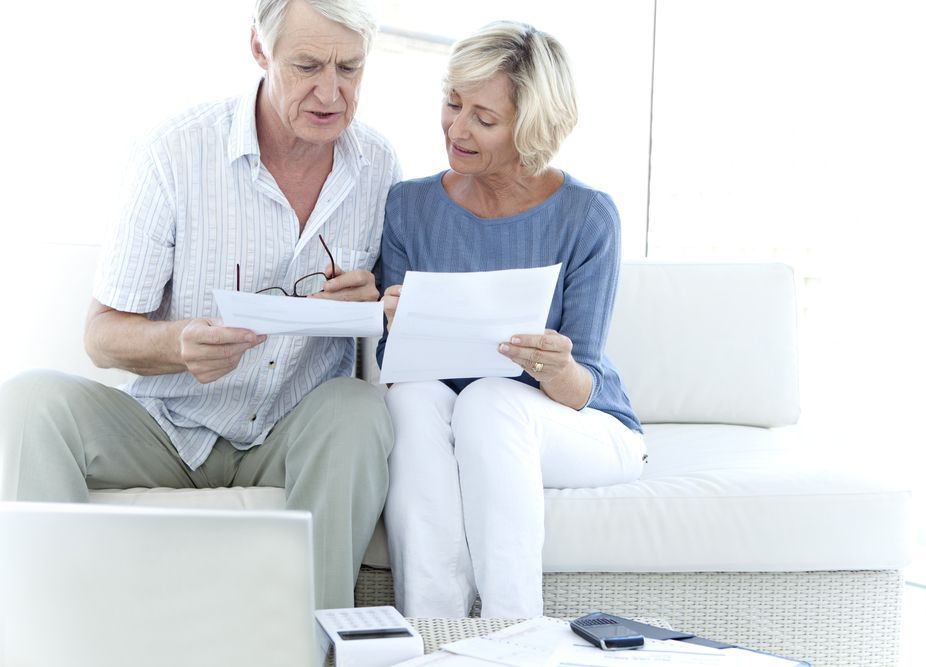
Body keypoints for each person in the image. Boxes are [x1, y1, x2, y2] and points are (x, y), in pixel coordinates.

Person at [0, 0, 399, 609]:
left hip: (292, 433)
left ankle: (311, 643)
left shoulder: (380, 167)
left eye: (350, 68)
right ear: (260, 51)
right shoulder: (174, 153)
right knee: (30, 400)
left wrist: (373, 300)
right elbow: (102, 335)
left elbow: (395, 325)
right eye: (309, 66)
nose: (331, 92)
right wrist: (176, 344)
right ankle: (51, 636)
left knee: (359, 408)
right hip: (167, 427)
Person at [377, 21, 646, 618]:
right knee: (413, 400)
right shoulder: (409, 205)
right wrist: (392, 323)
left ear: (531, 128)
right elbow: (392, 370)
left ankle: (513, 632)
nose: (457, 128)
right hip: (453, 409)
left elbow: (585, 387)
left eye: (484, 118)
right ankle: (435, 631)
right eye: (452, 104)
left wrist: (556, 366)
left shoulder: (587, 216)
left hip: (576, 421)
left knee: (491, 400)